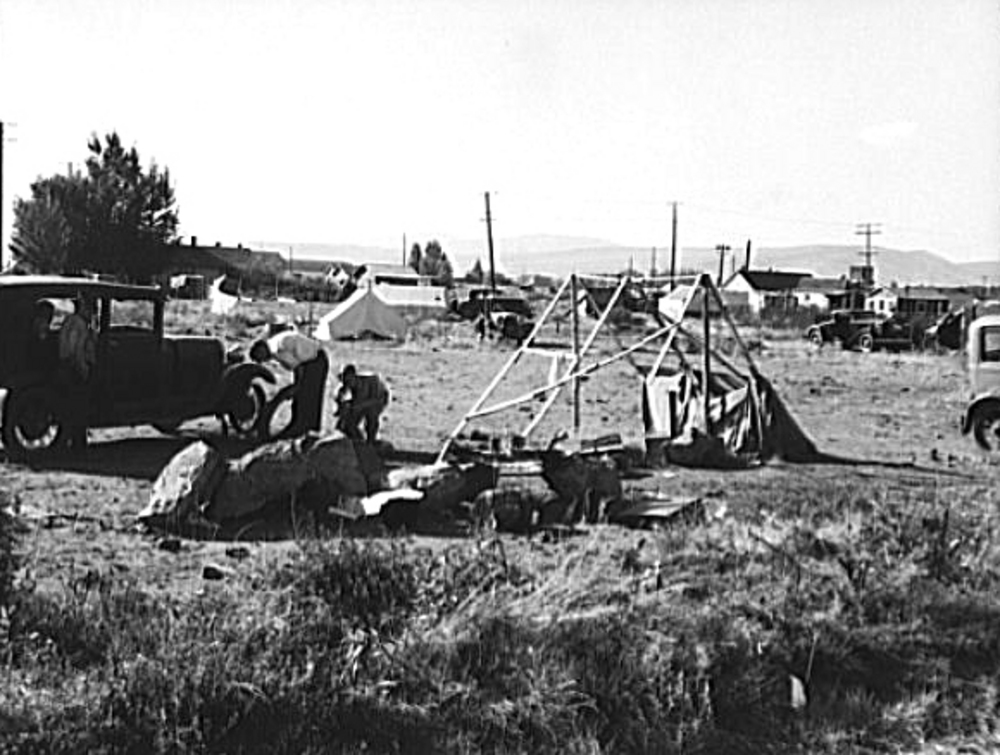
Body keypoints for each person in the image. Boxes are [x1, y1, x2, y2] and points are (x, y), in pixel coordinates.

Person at [249, 328, 329, 438]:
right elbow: (296, 366)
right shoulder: (275, 349)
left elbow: (299, 364)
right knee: (302, 395)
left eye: (260, 357)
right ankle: (300, 426)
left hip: (315, 360)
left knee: (310, 395)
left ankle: (308, 429)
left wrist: (297, 386)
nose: (264, 361)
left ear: (261, 349)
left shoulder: (277, 347)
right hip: (308, 362)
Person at [57, 297, 97, 449]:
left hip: (69, 367)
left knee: (72, 405)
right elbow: (76, 349)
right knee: (78, 405)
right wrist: (83, 368)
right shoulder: (78, 324)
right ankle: (77, 441)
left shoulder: (71, 322)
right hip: (74, 369)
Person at [336, 364, 389, 444]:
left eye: (349, 381)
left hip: (378, 397)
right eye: (345, 381)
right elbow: (342, 399)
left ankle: (371, 441)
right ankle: (358, 441)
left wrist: (357, 406)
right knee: (349, 425)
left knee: (371, 416)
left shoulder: (369, 381)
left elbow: (375, 400)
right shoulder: (347, 387)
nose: (348, 384)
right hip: (362, 400)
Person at [27, 299, 57, 373]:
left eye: (50, 314)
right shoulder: (37, 326)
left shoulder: (50, 335)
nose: (49, 316)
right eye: (45, 313)